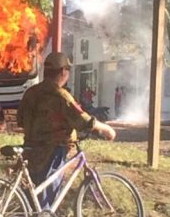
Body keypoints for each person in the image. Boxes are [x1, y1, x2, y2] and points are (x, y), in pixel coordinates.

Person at [17, 52, 116, 209]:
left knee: (31, 199)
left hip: (29, 150)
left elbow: (20, 120)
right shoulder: (61, 96)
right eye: (68, 70)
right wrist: (106, 129)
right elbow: (82, 120)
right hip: (52, 152)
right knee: (46, 200)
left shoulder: (31, 93)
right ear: (63, 71)